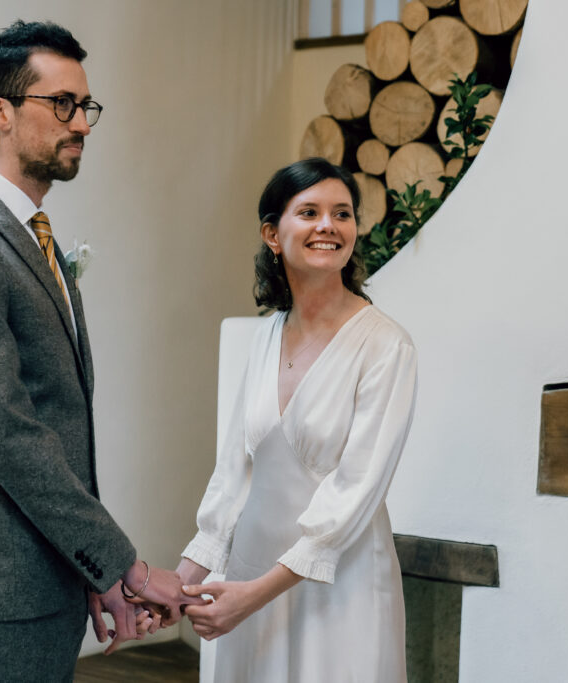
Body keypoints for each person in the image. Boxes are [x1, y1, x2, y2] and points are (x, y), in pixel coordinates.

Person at [0, 20, 197, 681]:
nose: (83, 124)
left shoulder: (35, 237)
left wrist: (87, 568)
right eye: (61, 104)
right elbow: (10, 434)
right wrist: (126, 564)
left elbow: (57, 423)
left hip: (48, 580)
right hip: (1, 590)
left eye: (86, 106)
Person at [177, 158, 418, 681]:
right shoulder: (264, 336)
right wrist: (180, 585)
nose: (329, 226)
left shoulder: (386, 345)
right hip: (248, 572)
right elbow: (234, 472)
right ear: (272, 232)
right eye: (309, 211)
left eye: (343, 213)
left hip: (339, 583)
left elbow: (357, 489)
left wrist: (255, 595)